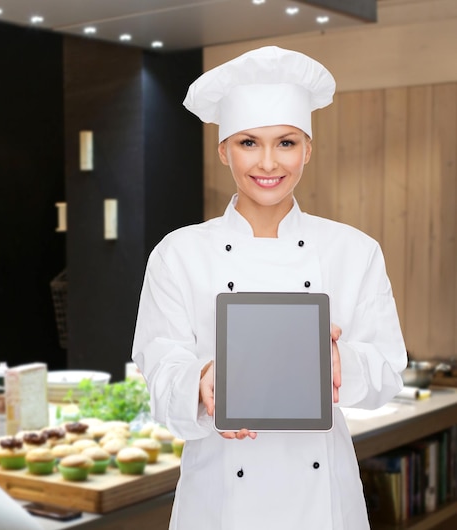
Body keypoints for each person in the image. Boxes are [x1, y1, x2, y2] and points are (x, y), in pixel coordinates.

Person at [131, 46, 407, 529]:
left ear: (307, 150)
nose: (268, 163)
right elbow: (159, 371)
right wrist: (200, 383)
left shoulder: (354, 250)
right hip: (219, 503)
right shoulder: (178, 254)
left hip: (322, 506)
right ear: (223, 150)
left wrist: (342, 364)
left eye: (286, 143)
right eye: (248, 143)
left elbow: (387, 372)